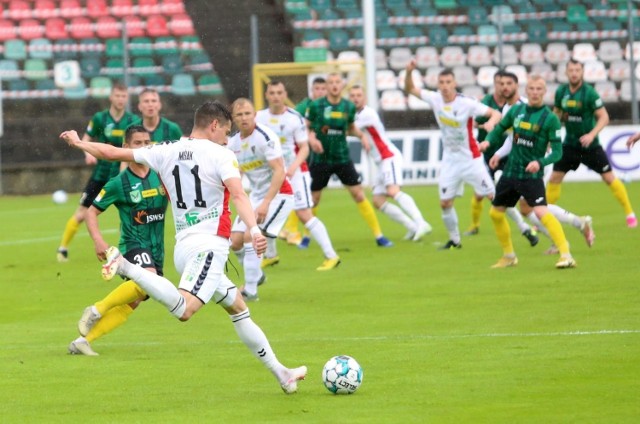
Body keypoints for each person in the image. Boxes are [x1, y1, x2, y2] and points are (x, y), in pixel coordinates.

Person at [59, 100, 307, 394]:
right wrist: (254, 229)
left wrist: (78, 143)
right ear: (214, 125)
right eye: (226, 132)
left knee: (238, 307)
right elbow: (239, 194)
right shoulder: (221, 154)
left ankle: (282, 373)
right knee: (185, 310)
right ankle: (125, 265)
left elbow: (112, 153)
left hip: (184, 247)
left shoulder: (166, 149)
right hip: (209, 247)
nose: (228, 139)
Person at [68, 126, 168, 356]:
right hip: (133, 245)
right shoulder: (118, 183)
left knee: (136, 299)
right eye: (138, 143)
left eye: (147, 142)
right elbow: (90, 212)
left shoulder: (161, 175)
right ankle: (96, 309)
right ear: (125, 148)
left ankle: (82, 342)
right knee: (147, 280)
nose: (144, 147)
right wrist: (98, 241)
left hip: (157, 249)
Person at [488, 74, 595, 253]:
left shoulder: (526, 105)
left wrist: (539, 153)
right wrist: (498, 153)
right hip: (521, 164)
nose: (504, 87)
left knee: (537, 208)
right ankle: (573, 227)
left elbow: (543, 139)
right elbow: (514, 138)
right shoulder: (511, 108)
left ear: (517, 86)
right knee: (527, 208)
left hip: (535, 163)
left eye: (508, 84)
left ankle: (569, 235)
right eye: (500, 84)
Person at [404, 60, 501, 250]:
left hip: (471, 159)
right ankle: (455, 241)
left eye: (448, 82)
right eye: (442, 82)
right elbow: (410, 88)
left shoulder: (467, 103)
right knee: (445, 202)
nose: (445, 86)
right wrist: (408, 72)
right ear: (438, 85)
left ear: (454, 83)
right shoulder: (435, 99)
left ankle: (524, 228)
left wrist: (491, 123)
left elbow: (495, 113)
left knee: (494, 197)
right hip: (450, 160)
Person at [256, 81, 341, 271]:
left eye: (280, 92)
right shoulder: (259, 118)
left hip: (296, 173)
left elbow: (304, 147)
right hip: (272, 174)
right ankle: (270, 255)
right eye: (272, 92)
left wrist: (292, 167)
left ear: (285, 94)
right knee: (266, 212)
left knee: (304, 214)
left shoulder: (295, 118)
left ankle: (331, 256)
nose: (276, 96)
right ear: (267, 95)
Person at [306, 72, 393, 247]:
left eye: (337, 82)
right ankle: (306, 238)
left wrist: (362, 137)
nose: (334, 85)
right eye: (331, 82)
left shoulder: (348, 107)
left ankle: (379, 235)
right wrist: (312, 139)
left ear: (342, 85)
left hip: (342, 157)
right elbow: (305, 128)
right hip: (321, 159)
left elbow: (351, 127)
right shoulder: (316, 106)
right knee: (313, 199)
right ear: (328, 86)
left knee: (358, 194)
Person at [548, 58, 637, 228]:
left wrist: (591, 134)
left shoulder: (589, 93)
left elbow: (604, 117)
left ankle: (629, 213)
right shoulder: (561, 92)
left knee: (609, 177)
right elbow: (557, 114)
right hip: (570, 144)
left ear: (582, 72)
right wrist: (552, 135)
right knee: (554, 177)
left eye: (577, 70)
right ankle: (544, 216)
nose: (574, 73)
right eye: (571, 70)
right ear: (566, 72)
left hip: (591, 145)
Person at [56, 82, 140, 262]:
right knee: (81, 213)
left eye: (124, 96)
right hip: (100, 174)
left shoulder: (132, 121)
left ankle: (131, 249)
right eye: (117, 96)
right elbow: (85, 139)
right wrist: (87, 153)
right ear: (111, 97)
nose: (120, 99)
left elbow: (131, 149)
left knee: (130, 213)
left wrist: (124, 170)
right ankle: (62, 249)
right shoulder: (100, 118)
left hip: (121, 176)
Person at [227, 98, 294, 301]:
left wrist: (265, 203)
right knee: (234, 242)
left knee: (250, 236)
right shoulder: (234, 143)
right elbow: (235, 174)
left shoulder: (265, 137)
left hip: (279, 195)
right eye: (239, 115)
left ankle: (250, 290)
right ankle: (257, 275)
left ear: (254, 115)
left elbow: (279, 171)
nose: (244, 118)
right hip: (256, 197)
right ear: (233, 118)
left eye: (248, 113)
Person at [348, 84, 432, 241]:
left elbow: (348, 129)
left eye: (359, 95)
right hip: (381, 162)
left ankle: (421, 223)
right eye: (352, 96)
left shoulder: (367, 114)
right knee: (378, 201)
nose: (355, 98)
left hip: (389, 157)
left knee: (393, 191)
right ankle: (412, 227)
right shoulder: (355, 115)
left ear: (364, 98)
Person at [276, 76, 328, 246]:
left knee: (313, 197)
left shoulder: (329, 107)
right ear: (312, 90)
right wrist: (311, 138)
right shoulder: (303, 107)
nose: (320, 92)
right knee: (301, 197)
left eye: (323, 89)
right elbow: (297, 128)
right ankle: (292, 230)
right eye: (317, 89)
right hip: (303, 155)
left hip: (321, 156)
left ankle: (297, 231)